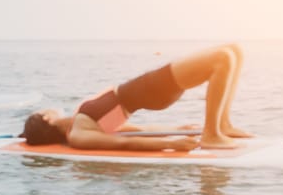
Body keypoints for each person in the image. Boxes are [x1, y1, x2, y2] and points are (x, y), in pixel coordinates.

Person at [20, 44, 252, 151]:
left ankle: (223, 124)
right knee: (223, 58)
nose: (48, 109)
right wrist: (170, 145)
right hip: (150, 88)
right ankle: (212, 133)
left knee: (234, 51)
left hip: (149, 90)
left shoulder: (82, 122)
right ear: (47, 121)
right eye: (43, 112)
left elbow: (129, 130)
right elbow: (124, 143)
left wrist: (174, 128)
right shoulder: (79, 135)